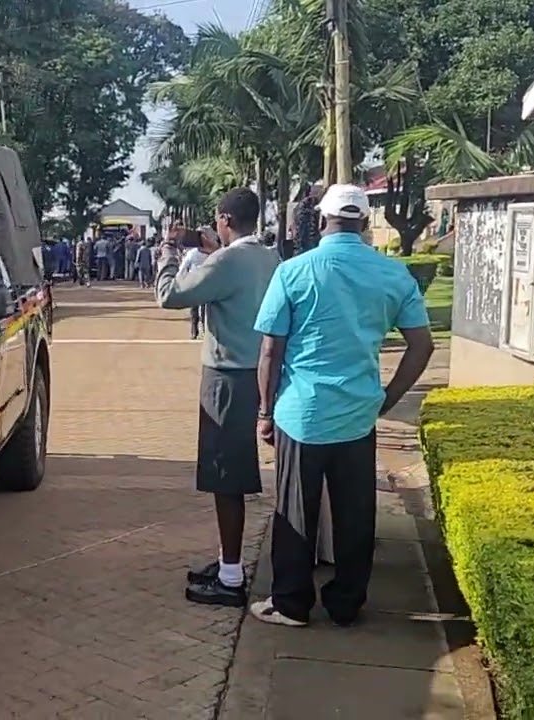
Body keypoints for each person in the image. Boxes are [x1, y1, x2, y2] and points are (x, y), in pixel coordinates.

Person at [250, 184, 435, 627]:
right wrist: (388, 398)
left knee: (296, 511)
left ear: (321, 220)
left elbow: (271, 352)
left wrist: (264, 411)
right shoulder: (393, 275)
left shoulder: (294, 271)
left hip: (302, 413)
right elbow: (422, 346)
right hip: (358, 413)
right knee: (355, 513)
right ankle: (346, 603)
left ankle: (292, 603)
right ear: (366, 223)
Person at [155, 189, 281, 608]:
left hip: (227, 376)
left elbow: (170, 295)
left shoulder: (226, 261)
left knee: (225, 476)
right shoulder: (268, 256)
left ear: (225, 218)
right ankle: (228, 563)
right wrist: (209, 246)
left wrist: (169, 249)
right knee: (232, 472)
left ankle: (231, 576)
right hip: (260, 372)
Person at [179, 226, 219, 340]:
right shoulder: (193, 253)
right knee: (196, 310)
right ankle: (196, 330)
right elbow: (183, 268)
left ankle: (201, 330)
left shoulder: (212, 253)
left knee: (203, 309)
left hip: (204, 283)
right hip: (196, 283)